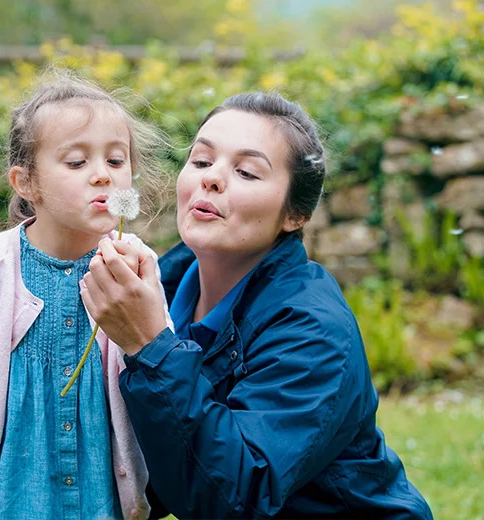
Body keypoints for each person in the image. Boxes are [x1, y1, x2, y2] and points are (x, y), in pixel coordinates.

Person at [81, 92, 434, 519]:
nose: (212, 179)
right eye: (201, 161)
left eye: (247, 172)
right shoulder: (156, 291)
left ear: (295, 215)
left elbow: (232, 497)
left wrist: (151, 347)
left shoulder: (313, 330)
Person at [0, 73, 169, 520]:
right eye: (77, 162)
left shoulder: (136, 268)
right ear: (26, 183)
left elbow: (162, 374)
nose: (103, 175)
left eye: (116, 160)